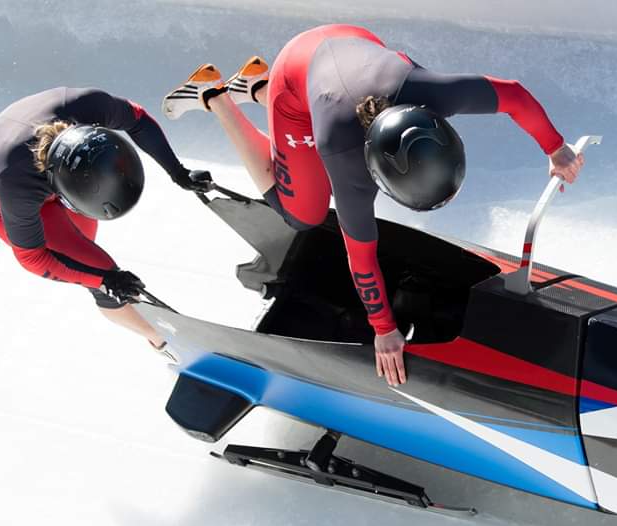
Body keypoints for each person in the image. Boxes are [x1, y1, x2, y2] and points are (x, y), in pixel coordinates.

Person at [162, 23, 584, 386]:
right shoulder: (344, 159)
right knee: (303, 214)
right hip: (300, 78)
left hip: (348, 44)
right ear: (374, 173)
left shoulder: (432, 93)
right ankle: (219, 97)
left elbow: (513, 95)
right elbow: (360, 256)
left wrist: (555, 147)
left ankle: (255, 84)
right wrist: (384, 329)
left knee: (324, 116)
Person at [0, 87, 211, 360]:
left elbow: (137, 119)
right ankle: (164, 342)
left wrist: (178, 172)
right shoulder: (17, 186)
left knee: (88, 253)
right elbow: (33, 258)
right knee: (99, 272)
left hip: (21, 157)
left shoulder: (87, 105)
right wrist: (103, 280)